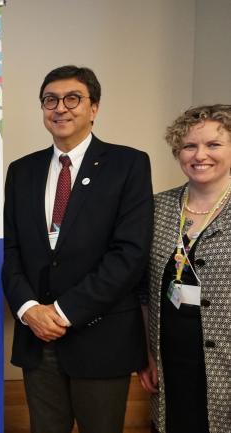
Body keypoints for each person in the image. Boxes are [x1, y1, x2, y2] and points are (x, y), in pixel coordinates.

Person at [2, 65, 153, 433]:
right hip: (37, 338)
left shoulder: (128, 164)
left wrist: (63, 312)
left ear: (94, 108)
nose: (60, 108)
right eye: (50, 100)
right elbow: (10, 249)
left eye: (73, 98)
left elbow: (129, 254)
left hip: (102, 337)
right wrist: (28, 310)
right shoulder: (22, 170)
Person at [138, 104, 231, 433]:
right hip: (170, 359)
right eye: (189, 146)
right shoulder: (156, 206)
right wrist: (147, 354)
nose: (200, 154)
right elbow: (144, 289)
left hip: (225, 363)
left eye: (214, 145)